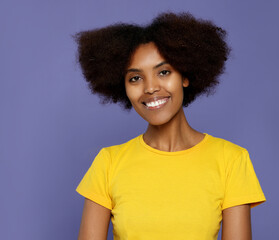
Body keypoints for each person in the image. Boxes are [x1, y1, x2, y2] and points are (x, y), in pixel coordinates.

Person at [75, 12, 266, 240]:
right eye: (135, 78)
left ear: (184, 76)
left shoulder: (231, 161)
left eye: (163, 72)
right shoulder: (108, 163)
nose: (150, 88)